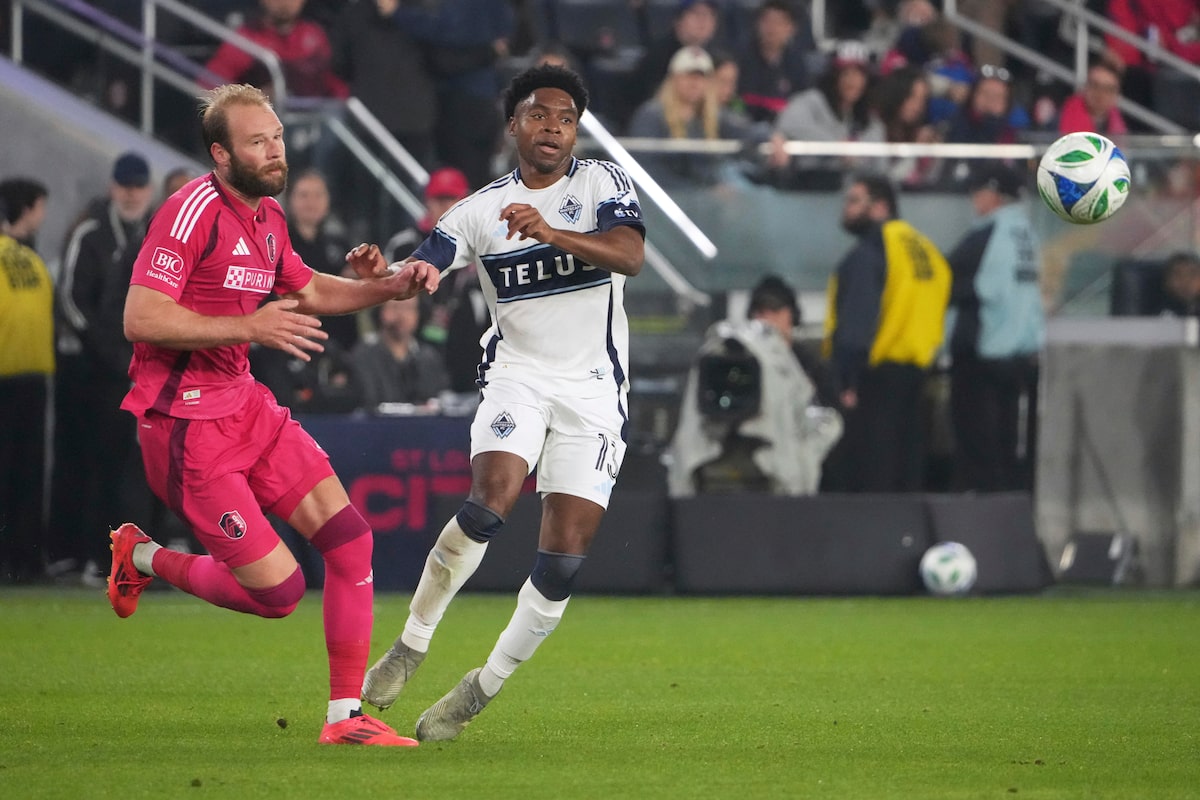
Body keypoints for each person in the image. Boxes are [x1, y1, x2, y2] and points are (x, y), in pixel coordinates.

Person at [105, 83, 442, 747]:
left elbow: (311, 289)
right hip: (186, 428)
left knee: (350, 541)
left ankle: (346, 718)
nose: (275, 151)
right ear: (221, 154)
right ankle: (140, 554)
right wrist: (247, 326)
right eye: (258, 142)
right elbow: (139, 316)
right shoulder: (190, 211)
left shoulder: (266, 218)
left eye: (278, 137)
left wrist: (389, 284)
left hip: (247, 407)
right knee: (280, 593)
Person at [359, 64, 646, 741]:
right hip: (518, 375)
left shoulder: (602, 183)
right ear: (514, 123)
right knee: (489, 502)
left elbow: (629, 256)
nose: (552, 127)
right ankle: (411, 642)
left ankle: (480, 688)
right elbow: (426, 264)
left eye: (565, 118)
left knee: (563, 560)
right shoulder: (479, 209)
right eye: (539, 114)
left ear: (576, 131)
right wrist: (389, 281)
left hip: (595, 391)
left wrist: (549, 233)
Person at [49, 152, 156, 587]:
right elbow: (71, 300)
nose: (131, 194)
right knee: (86, 459)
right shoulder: (91, 232)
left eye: (138, 186)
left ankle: (105, 554)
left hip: (131, 368)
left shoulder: (151, 232)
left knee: (120, 462)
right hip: (91, 369)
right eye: (125, 186)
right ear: (114, 187)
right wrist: (106, 348)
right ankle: (77, 552)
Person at [822, 173, 950, 492]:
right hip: (918, 374)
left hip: (874, 377)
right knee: (906, 472)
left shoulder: (871, 251)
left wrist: (845, 378)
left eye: (854, 201)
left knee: (872, 477)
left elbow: (857, 318)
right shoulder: (926, 249)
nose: (846, 209)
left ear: (880, 207)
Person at [667, 275, 841, 496]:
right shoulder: (723, 355)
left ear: (791, 316)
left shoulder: (805, 366)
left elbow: (825, 419)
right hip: (718, 456)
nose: (766, 319)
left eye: (775, 311)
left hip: (784, 473)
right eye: (759, 313)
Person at [944, 162, 1043, 492]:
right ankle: (1005, 511)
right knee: (1006, 443)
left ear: (993, 194)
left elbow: (947, 280)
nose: (974, 199)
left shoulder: (987, 234)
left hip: (982, 351)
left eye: (978, 191)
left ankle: (979, 516)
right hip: (1017, 354)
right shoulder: (1027, 234)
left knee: (977, 445)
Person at [382, 167, 488, 395]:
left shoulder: (482, 245)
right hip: (416, 354)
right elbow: (386, 296)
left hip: (470, 356)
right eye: (439, 200)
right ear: (427, 202)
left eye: (452, 200)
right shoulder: (405, 244)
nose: (446, 207)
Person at [0, 178, 53, 583]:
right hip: (14, 375)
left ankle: (25, 558)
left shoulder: (28, 256)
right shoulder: (26, 259)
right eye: (40, 206)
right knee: (19, 473)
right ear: (28, 207)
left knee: (27, 473)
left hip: (32, 377)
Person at [768, 41, 884, 189]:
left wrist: (854, 158)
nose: (851, 80)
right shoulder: (812, 101)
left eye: (858, 74)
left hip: (849, 196)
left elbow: (878, 166)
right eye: (845, 73)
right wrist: (838, 147)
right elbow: (788, 125)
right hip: (805, 190)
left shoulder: (870, 120)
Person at [627, 46, 749, 187]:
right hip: (665, 199)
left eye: (701, 78)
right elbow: (646, 169)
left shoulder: (712, 115)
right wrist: (701, 191)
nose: (695, 83)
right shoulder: (651, 115)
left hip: (704, 201)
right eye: (689, 76)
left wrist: (770, 137)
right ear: (674, 79)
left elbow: (745, 129)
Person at [203, 0, 349, 100]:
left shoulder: (314, 35)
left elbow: (334, 84)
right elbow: (208, 86)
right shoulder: (249, 38)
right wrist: (255, 98)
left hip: (316, 124)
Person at [352, 296, 449, 410]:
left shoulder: (429, 357)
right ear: (380, 310)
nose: (402, 315)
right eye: (395, 307)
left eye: (409, 308)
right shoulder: (364, 355)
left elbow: (438, 399)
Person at [735, 0, 815, 125]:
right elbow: (737, 101)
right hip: (745, 128)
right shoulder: (740, 60)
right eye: (767, 21)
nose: (771, 28)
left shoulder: (798, 65)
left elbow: (802, 106)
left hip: (786, 130)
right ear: (757, 24)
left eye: (779, 23)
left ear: (791, 29)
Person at [1058, 60, 1129, 137]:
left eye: (1107, 89)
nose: (1100, 94)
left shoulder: (1121, 129)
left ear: (1116, 95)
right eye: (1095, 85)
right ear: (1085, 87)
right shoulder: (1057, 121)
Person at [1159, 251, 1200, 318]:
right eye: (1178, 275)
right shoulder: (1157, 315)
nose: (1186, 281)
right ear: (1167, 281)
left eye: (1193, 274)